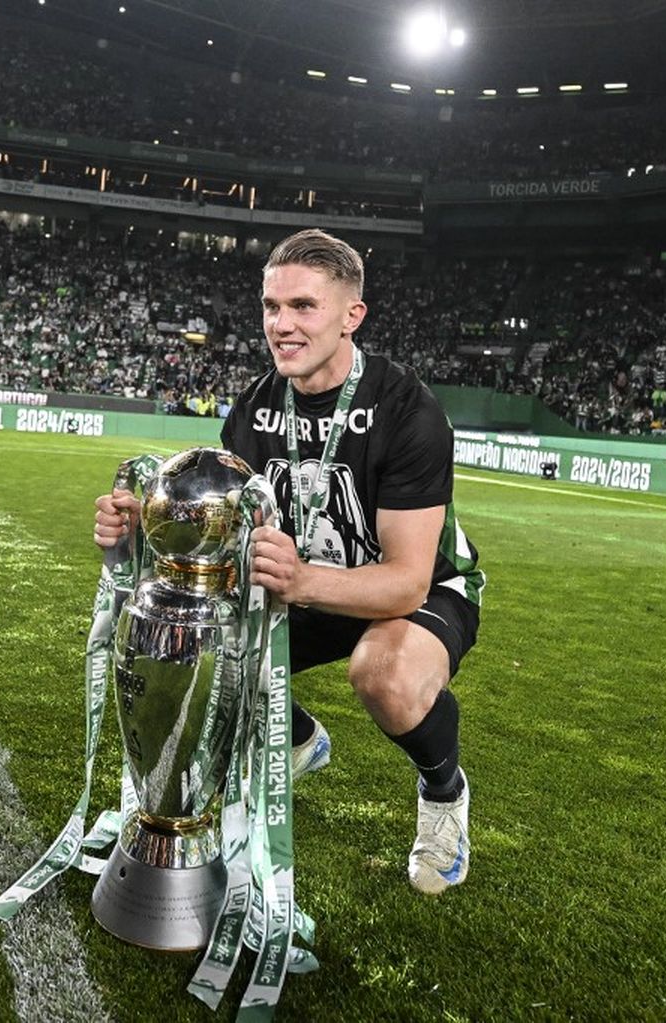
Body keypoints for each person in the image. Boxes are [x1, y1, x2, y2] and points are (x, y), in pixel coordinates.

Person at [95, 229, 484, 896]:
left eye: (303, 306)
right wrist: (135, 537)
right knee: (196, 637)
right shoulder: (254, 407)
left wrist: (303, 580)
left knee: (382, 674)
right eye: (272, 306)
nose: (281, 324)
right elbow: (224, 544)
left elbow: (406, 580)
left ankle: (443, 792)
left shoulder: (405, 409)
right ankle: (297, 737)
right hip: (300, 583)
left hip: (419, 587)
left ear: (351, 315)